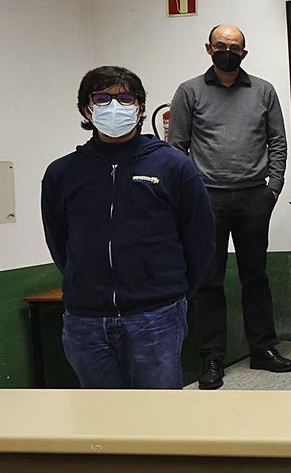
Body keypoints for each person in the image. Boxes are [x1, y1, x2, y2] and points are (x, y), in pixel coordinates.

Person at [41, 66, 215, 389]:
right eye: (102, 98)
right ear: (86, 108)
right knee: (102, 426)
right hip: (85, 321)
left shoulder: (174, 166)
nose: (114, 106)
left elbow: (201, 240)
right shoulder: (62, 173)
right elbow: (59, 241)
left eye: (124, 98)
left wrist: (170, 292)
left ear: (140, 107)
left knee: (159, 424)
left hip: (156, 316)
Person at [170, 23, 291, 390]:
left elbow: (278, 142)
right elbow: (176, 147)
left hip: (255, 196)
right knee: (207, 281)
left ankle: (263, 350)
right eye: (221, 45)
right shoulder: (189, 92)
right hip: (206, 199)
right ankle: (211, 359)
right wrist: (190, 197)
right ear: (208, 48)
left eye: (235, 46)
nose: (228, 50)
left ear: (244, 52)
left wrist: (272, 188)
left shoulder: (263, 91)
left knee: (255, 276)